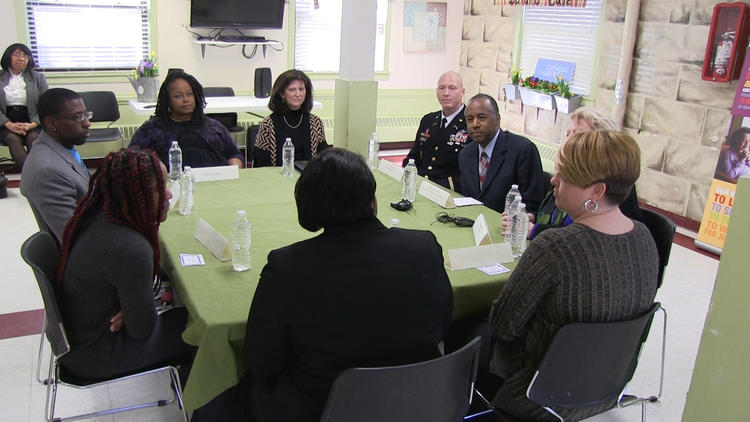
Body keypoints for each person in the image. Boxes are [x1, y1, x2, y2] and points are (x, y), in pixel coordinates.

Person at [192, 148, 453, 422]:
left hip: (322, 409)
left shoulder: (288, 267)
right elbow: (442, 324)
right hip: (419, 403)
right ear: (372, 199)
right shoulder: (424, 246)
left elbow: (262, 363)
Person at [487, 130, 659, 421]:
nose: (553, 180)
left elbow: (503, 326)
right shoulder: (645, 238)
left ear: (597, 191)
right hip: (606, 389)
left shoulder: (554, 247)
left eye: (563, 176)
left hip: (535, 396)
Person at [55, 148, 195, 381]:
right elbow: (142, 329)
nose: (169, 194)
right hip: (98, 354)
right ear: (137, 195)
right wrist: (137, 307)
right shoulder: (131, 247)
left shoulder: (95, 215)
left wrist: (130, 306)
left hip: (79, 337)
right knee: (198, 328)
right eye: (160, 188)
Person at [509, 107, 644, 240]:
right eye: (568, 134)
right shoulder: (563, 174)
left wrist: (536, 230)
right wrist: (531, 217)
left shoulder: (616, 184)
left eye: (578, 135)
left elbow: (592, 237)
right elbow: (548, 213)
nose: (569, 140)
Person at [128, 70, 244, 169]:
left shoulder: (213, 126)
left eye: (190, 94)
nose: (186, 100)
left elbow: (234, 154)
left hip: (218, 183)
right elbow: (131, 159)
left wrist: (233, 168)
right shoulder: (152, 129)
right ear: (168, 100)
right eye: (178, 96)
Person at [20, 88, 90, 244]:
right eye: (78, 117)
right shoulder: (49, 171)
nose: (87, 123)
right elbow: (75, 238)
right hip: (83, 257)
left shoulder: (61, 147)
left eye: (86, 114)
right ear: (51, 123)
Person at [457, 94, 546, 213]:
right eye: (470, 119)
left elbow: (532, 204)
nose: (475, 124)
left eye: (482, 117)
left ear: (497, 120)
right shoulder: (465, 154)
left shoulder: (522, 150)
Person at [403, 71, 468, 191]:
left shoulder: (470, 124)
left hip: (448, 190)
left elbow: (469, 173)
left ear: (462, 92)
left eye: (452, 88)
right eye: (441, 88)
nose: (446, 93)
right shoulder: (428, 120)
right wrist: (407, 175)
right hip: (419, 186)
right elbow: (414, 155)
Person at [253, 69, 328, 167]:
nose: (298, 94)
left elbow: (324, 159)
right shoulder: (268, 124)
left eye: (301, 89)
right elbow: (261, 164)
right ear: (282, 93)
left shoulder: (315, 122)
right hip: (278, 178)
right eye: (292, 90)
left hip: (308, 178)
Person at [0, 43, 49, 168]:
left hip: (32, 122)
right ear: (8, 57)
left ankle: (30, 178)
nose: (21, 58)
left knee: (34, 139)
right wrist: (8, 124)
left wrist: (32, 124)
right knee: (12, 139)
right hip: (5, 123)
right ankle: (33, 177)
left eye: (25, 56)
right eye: (17, 54)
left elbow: (47, 105)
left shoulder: (38, 78)